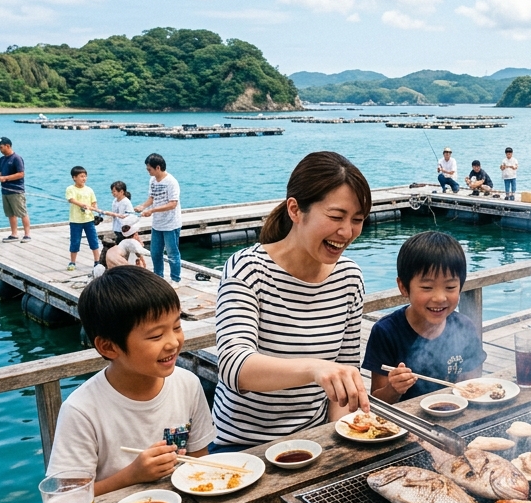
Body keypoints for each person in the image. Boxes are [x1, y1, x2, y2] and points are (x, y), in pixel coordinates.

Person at [213, 151, 371, 449]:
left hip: (314, 440)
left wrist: (340, 441)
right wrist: (315, 369)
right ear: (295, 210)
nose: (347, 232)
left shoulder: (349, 277)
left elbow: (345, 377)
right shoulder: (248, 269)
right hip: (243, 446)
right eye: (336, 217)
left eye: (357, 220)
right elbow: (235, 366)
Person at [46, 266, 213, 495]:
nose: (173, 342)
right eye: (156, 335)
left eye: (177, 326)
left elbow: (200, 462)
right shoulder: (81, 410)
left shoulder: (188, 385)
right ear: (108, 347)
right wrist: (132, 476)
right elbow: (68, 497)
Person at [363, 231, 486, 403]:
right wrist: (393, 389)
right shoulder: (386, 332)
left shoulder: (464, 327)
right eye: (427, 287)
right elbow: (377, 402)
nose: (440, 298)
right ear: (403, 287)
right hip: (404, 418)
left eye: (450, 287)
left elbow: (473, 388)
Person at [136, 153, 182, 284]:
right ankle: (158, 278)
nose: (148, 171)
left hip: (171, 224)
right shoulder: (152, 180)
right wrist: (143, 206)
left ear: (158, 167)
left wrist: (152, 210)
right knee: (155, 252)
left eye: (149, 169)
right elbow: (152, 197)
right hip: (157, 223)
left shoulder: (171, 182)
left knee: (172, 253)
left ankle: (175, 279)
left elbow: (173, 204)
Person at [0, 136, 30, 242]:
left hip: (16, 191)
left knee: (22, 213)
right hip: (5, 191)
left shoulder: (17, 158)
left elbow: (21, 174)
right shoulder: (2, 159)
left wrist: (5, 178)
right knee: (10, 214)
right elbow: (1, 173)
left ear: (8, 146)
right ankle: (14, 234)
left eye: (1, 147)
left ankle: (27, 235)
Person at [66, 165, 101, 272]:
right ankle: (72, 262)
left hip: (89, 220)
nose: (84, 178)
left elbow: (94, 203)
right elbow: (71, 200)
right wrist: (82, 205)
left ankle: (97, 261)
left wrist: (95, 209)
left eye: (85, 176)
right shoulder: (70, 189)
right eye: (81, 176)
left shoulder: (89, 190)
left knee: (93, 240)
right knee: (75, 241)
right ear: (74, 177)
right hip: (75, 221)